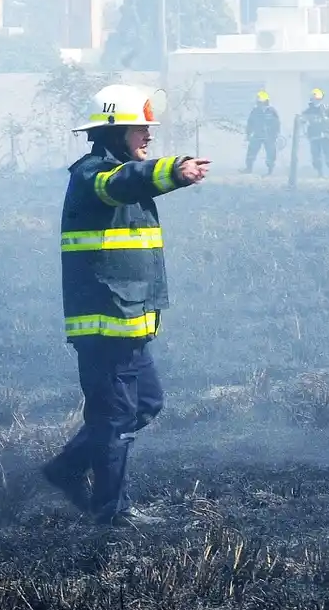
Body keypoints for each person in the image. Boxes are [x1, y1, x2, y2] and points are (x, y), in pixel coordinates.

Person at [42, 84, 212, 526]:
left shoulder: (118, 176)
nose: (148, 136)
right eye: (140, 128)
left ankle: (66, 469)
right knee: (115, 417)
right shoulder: (92, 175)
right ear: (113, 131)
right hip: (106, 325)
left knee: (145, 404)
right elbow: (122, 182)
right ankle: (110, 514)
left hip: (130, 319)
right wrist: (175, 170)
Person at [300, 88, 329, 178]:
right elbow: (302, 122)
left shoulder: (327, 109)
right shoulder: (308, 111)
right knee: (316, 157)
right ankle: (320, 174)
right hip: (314, 136)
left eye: (317, 98)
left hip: (326, 136)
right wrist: (305, 132)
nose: (316, 99)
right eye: (314, 97)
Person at [242, 90, 281, 175]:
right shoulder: (255, 111)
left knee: (271, 153)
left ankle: (270, 170)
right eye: (259, 103)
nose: (261, 105)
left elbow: (277, 123)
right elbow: (250, 123)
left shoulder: (272, 111)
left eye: (263, 103)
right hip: (257, 135)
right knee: (251, 152)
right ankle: (248, 168)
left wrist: (275, 135)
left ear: (267, 102)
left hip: (269, 136)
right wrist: (248, 134)